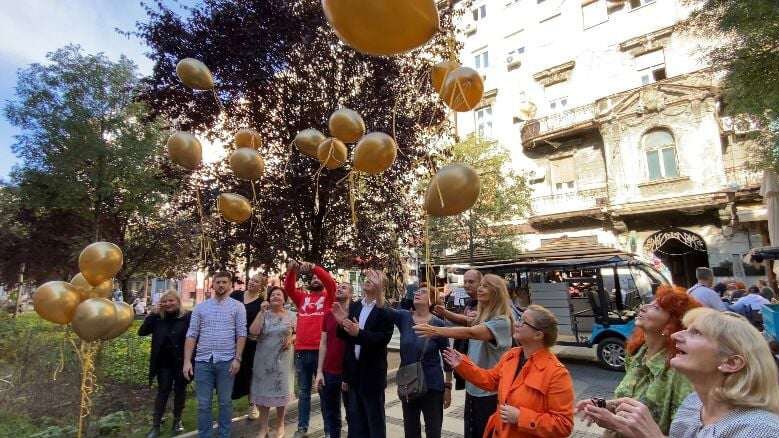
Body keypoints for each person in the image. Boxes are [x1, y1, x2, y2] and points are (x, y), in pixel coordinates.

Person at [591, 308, 779, 437]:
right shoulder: (693, 404)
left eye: (696, 332)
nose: (674, 335)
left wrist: (652, 435)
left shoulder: (760, 428)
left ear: (731, 362)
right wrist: (624, 425)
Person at [577, 285, 699, 436]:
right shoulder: (638, 353)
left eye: (656, 308)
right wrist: (604, 405)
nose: (643, 308)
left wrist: (616, 423)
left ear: (671, 324)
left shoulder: (680, 370)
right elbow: (629, 402)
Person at [442, 304, 575, 437]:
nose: (516, 324)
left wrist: (521, 417)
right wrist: (462, 365)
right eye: (519, 319)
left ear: (538, 335)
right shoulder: (512, 355)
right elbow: (490, 380)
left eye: (523, 322)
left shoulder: (556, 373)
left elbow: (563, 425)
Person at [416, 273, 514, 438]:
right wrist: (445, 314)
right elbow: (465, 322)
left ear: (496, 292)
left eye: (484, 286)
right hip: (474, 389)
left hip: (490, 394)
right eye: (480, 284)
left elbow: (470, 332)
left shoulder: (502, 322)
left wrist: (436, 330)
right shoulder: (481, 317)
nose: (479, 289)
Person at [184, 271, 247, 438]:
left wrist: (237, 359)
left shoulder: (238, 307)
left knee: (225, 402)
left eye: (224, 282)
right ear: (213, 284)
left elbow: (241, 334)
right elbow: (191, 334)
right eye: (218, 282)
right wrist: (187, 362)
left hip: (227, 361)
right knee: (203, 404)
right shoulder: (200, 307)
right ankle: (205, 435)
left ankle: (224, 434)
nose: (221, 285)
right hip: (203, 362)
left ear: (230, 285)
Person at [387, 284, 453, 438]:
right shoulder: (404, 317)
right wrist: (378, 289)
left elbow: (447, 357)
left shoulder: (438, 324)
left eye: (423, 292)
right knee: (410, 430)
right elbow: (384, 308)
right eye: (416, 291)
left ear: (431, 301)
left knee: (433, 431)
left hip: (433, 386)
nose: (417, 293)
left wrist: (448, 387)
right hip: (409, 383)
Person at [335, 269, 394, 438]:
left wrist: (358, 333)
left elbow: (382, 339)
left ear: (382, 286)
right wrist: (341, 324)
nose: (368, 280)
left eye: (374, 278)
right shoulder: (355, 306)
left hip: (372, 375)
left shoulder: (386, 310)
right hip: (354, 374)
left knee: (374, 421)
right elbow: (346, 340)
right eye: (367, 278)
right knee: (355, 420)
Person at [284, 260, 336, 438]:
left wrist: (314, 268)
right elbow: (289, 289)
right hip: (301, 351)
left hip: (321, 353)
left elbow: (329, 281)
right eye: (312, 277)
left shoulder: (329, 298)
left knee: (324, 393)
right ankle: (302, 428)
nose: (315, 279)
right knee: (304, 393)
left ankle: (329, 429)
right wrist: (292, 270)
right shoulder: (302, 298)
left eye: (317, 277)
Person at [138, 290, 192, 438]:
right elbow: (141, 332)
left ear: (178, 301)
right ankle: (155, 425)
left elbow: (194, 336)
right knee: (163, 391)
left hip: (182, 361)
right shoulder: (157, 317)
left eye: (171, 301)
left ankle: (177, 420)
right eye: (165, 301)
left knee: (180, 391)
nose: (168, 304)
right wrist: (151, 314)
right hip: (163, 362)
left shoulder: (187, 317)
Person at [249, 286, 295, 438]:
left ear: (284, 299)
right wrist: (261, 312)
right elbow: (253, 332)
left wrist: (292, 338)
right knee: (263, 393)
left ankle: (280, 425)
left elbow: (301, 334)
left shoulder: (292, 316)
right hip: (263, 360)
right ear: (269, 298)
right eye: (273, 294)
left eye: (279, 294)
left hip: (283, 361)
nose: (275, 296)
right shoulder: (264, 314)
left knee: (281, 392)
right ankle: (264, 428)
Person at [314, 282, 353, 438]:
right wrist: (319, 371)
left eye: (344, 287)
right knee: (331, 413)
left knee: (352, 412)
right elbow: (323, 344)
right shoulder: (328, 315)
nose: (339, 288)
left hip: (348, 372)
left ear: (351, 294)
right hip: (329, 371)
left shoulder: (355, 313)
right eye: (338, 287)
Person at [433, 269, 482, 393]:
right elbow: (464, 322)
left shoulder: (485, 304)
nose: (467, 285)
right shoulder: (470, 303)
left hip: (480, 363)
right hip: (468, 361)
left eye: (471, 282)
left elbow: (470, 323)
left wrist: (444, 315)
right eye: (465, 282)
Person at [231, 274, 267, 420]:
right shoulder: (236, 294)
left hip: (250, 343)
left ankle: (252, 405)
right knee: (229, 372)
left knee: (250, 374)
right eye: (251, 280)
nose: (252, 282)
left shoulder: (261, 303)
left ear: (261, 286)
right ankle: (227, 404)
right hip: (230, 339)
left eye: (256, 281)